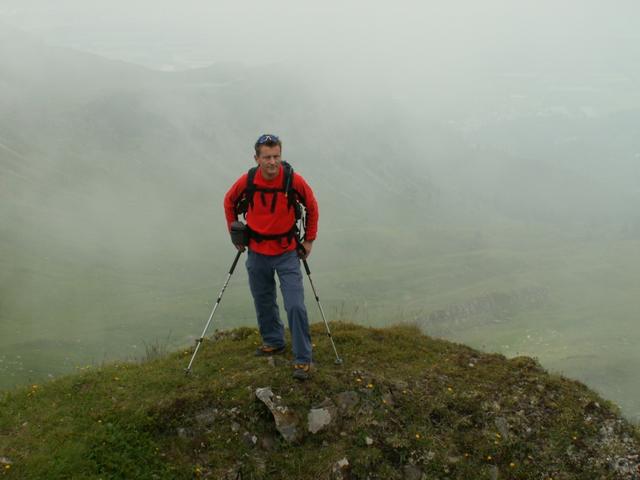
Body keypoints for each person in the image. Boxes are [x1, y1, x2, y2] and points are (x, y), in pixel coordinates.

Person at [223, 134, 319, 380]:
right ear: (256, 158)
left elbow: (311, 205)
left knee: (295, 305)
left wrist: (309, 240)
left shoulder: (292, 180)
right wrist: (235, 233)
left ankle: (303, 358)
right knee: (263, 299)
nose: (272, 162)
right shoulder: (248, 180)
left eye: (276, 156)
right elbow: (229, 201)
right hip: (257, 251)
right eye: (267, 157)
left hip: (287, 251)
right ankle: (274, 341)